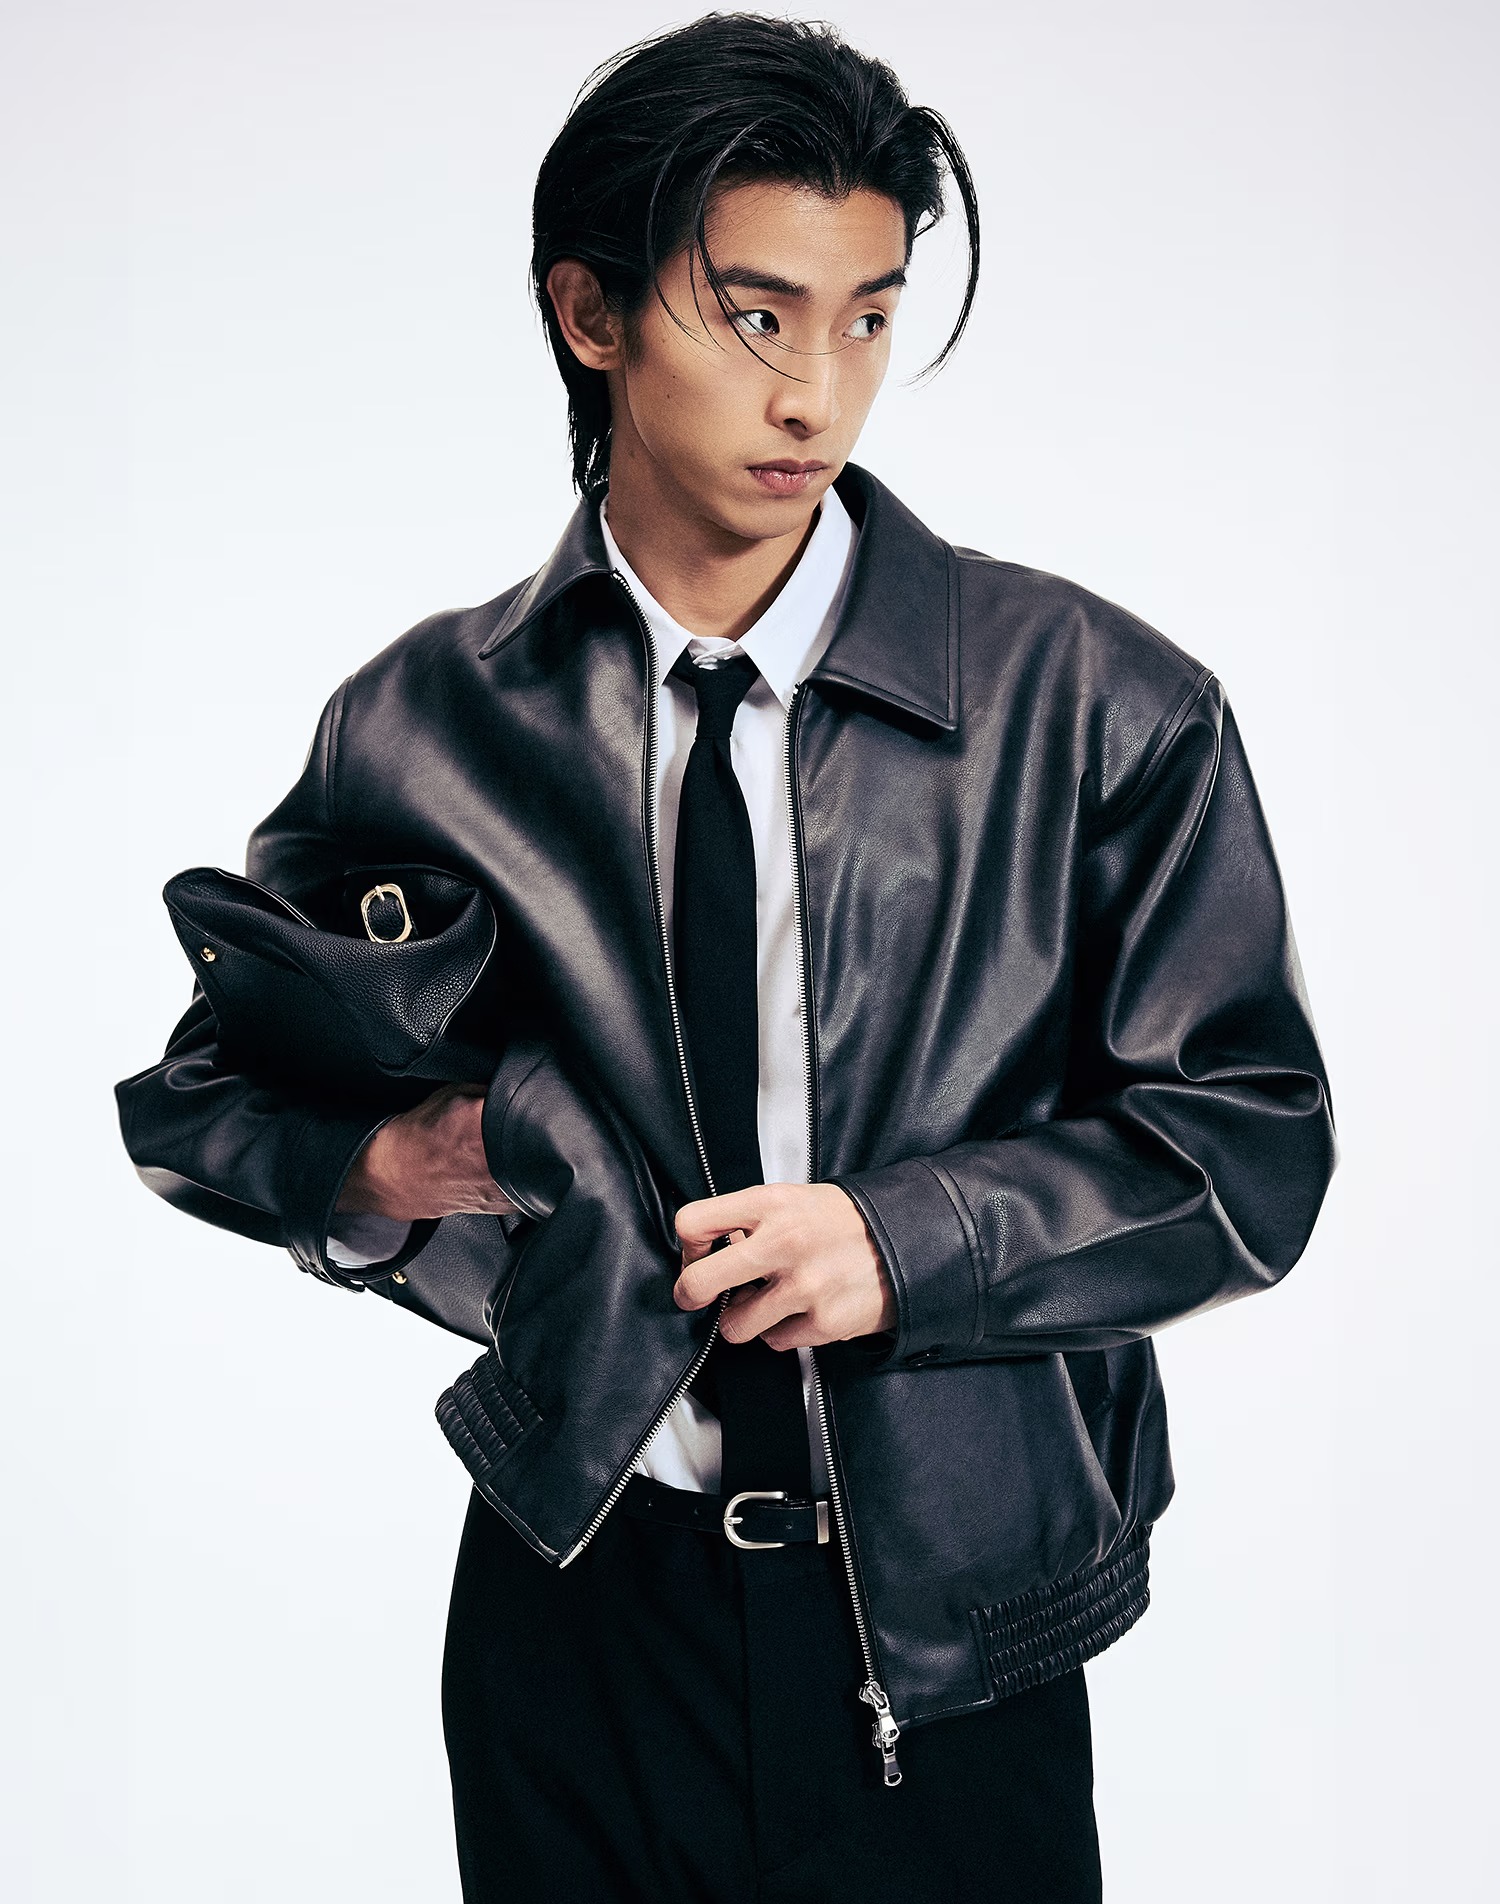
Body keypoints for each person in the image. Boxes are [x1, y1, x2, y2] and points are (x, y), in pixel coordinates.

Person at [115, 14, 1336, 1901]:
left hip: (952, 1639)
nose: (817, 397)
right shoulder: (427, 723)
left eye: (869, 318)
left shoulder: (1101, 705)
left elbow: (1249, 1148)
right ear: (589, 313)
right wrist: (391, 1162)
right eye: (756, 317)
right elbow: (213, 1097)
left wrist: (905, 1242)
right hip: (576, 1614)